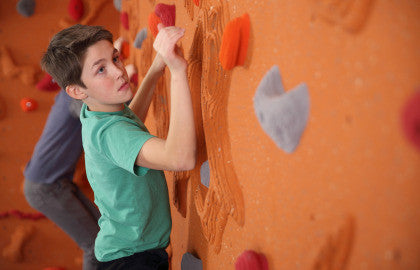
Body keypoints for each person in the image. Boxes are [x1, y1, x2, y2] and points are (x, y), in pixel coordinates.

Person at [40, 23, 196, 270]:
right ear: (76, 91)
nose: (118, 71)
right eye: (101, 69)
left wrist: (156, 68)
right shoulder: (110, 132)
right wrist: (177, 71)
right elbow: (180, 158)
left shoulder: (97, 113)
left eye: (115, 58)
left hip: (128, 255)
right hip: (131, 261)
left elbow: (129, 123)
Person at [23, 89, 100, 270]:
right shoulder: (72, 96)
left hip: (55, 183)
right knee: (95, 246)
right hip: (45, 188)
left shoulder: (69, 94)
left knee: (105, 234)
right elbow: (99, 114)